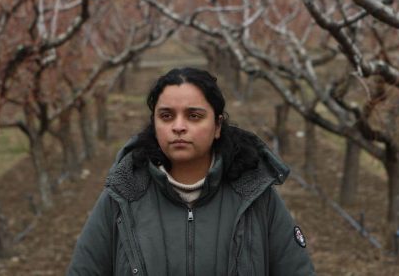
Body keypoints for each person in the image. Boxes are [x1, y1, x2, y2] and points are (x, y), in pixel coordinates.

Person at [67, 67, 315, 275]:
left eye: (194, 116)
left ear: (217, 125)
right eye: (166, 116)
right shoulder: (124, 195)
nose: (178, 127)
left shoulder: (254, 196)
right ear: (154, 124)